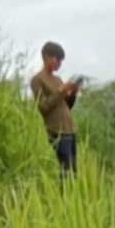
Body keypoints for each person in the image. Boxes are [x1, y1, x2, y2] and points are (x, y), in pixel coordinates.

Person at [30, 42, 82, 179]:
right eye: (57, 59)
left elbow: (67, 106)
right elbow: (42, 108)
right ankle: (62, 197)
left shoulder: (58, 79)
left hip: (70, 129)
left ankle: (71, 198)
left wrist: (73, 92)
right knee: (66, 170)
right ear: (47, 57)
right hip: (57, 131)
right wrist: (61, 90)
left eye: (61, 60)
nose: (59, 63)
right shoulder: (37, 79)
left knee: (73, 171)